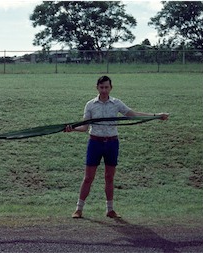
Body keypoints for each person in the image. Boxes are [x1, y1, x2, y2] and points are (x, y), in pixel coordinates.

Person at [65, 76, 169, 219]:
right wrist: (73, 129)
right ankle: (79, 209)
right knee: (88, 177)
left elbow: (133, 115)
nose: (104, 90)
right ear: (97, 88)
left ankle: (110, 210)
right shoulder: (90, 105)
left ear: (111, 88)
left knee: (109, 177)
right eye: (101, 87)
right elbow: (84, 127)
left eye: (106, 87)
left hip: (112, 143)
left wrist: (156, 116)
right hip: (95, 143)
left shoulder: (116, 103)